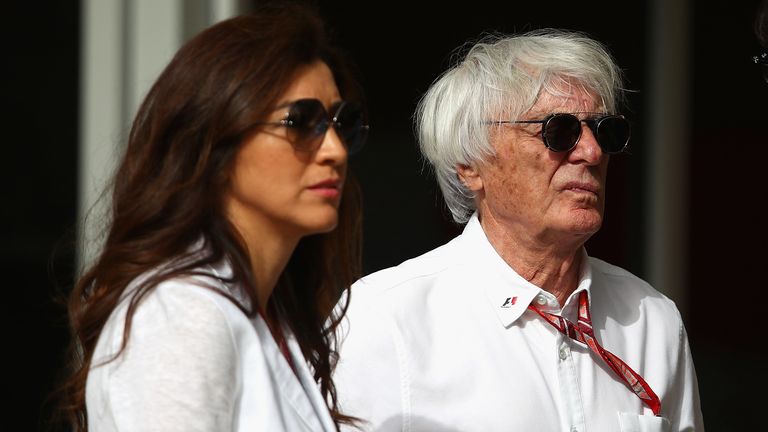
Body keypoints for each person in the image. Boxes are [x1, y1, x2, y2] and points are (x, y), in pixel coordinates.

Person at [333, 29, 704, 431]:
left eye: (605, 130)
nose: (593, 152)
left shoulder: (653, 320)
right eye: (559, 131)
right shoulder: (384, 320)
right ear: (470, 165)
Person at [58, 2, 368, 431]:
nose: (334, 150)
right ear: (214, 140)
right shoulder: (180, 312)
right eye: (300, 122)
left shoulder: (263, 315)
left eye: (341, 123)